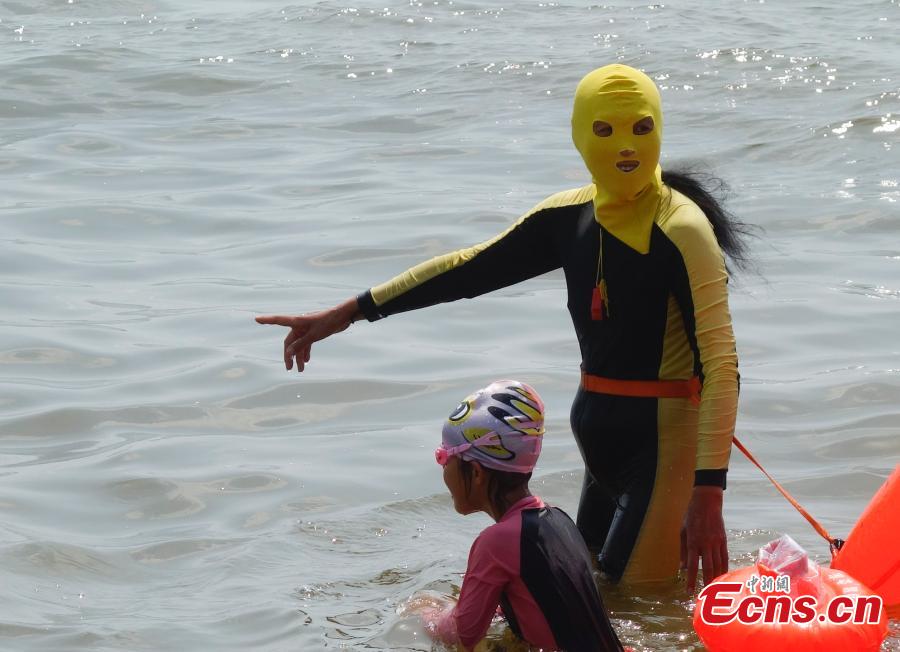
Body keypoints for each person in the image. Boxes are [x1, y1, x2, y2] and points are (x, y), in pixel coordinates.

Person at [257, 63, 750, 591]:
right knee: (591, 600)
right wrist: (350, 311)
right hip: (600, 437)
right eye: (605, 131)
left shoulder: (681, 228)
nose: (625, 146)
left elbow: (723, 367)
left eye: (641, 128)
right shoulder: (570, 216)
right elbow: (469, 269)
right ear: (581, 136)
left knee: (628, 604)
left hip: (664, 444)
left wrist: (707, 495)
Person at [416, 380, 625, 651]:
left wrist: (423, 614)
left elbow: (461, 634)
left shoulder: (496, 542)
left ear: (477, 473)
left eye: (443, 457)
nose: (442, 469)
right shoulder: (559, 520)